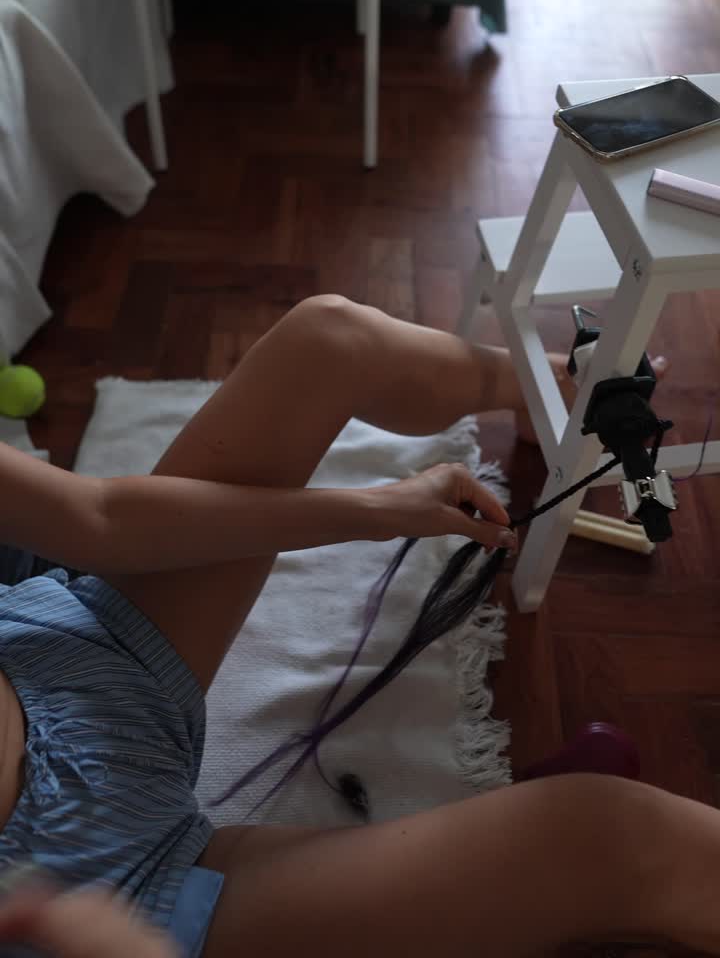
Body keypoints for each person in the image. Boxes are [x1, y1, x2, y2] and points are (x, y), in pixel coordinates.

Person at [0, 295, 716, 958]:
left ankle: (551, 390)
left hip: (74, 662)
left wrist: (381, 509)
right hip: (102, 882)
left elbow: (101, 521)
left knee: (327, 339)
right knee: (612, 836)